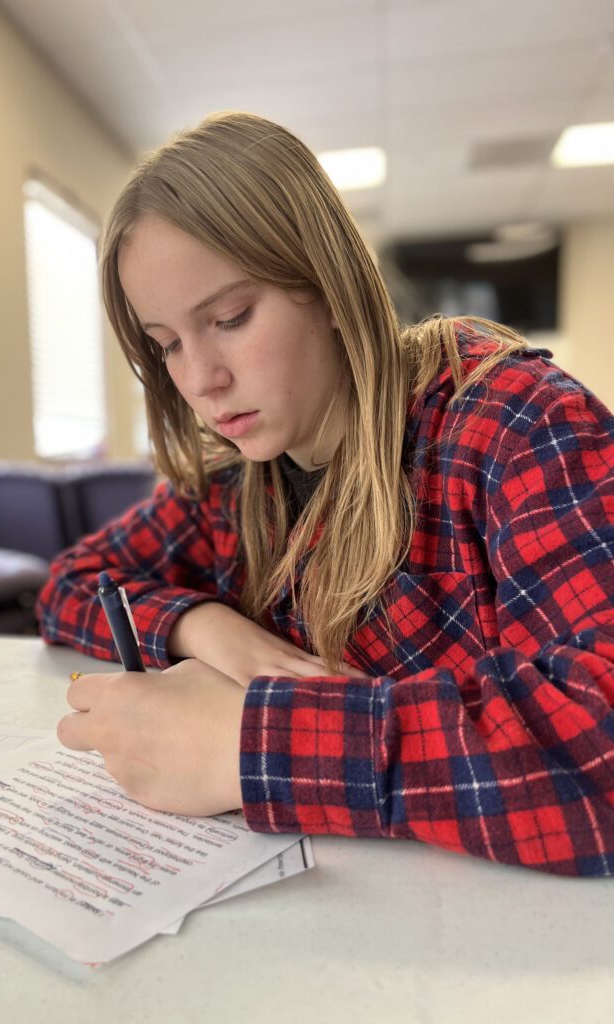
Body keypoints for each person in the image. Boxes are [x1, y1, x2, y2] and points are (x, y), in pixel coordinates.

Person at [36, 111, 614, 877]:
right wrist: (203, 626)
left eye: (231, 318)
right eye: (168, 344)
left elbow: (598, 742)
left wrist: (252, 745)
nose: (202, 379)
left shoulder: (514, 421)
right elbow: (68, 583)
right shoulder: (233, 483)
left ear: (329, 286)